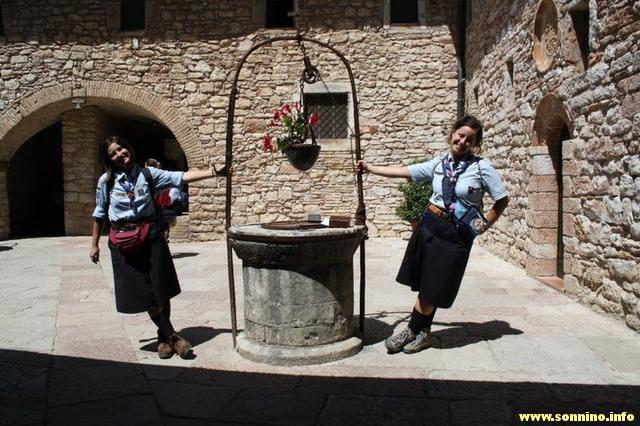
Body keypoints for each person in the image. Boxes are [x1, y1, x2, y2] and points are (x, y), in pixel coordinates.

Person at [354, 116, 509, 354]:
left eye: (469, 139)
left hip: (456, 235)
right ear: (453, 133)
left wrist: (484, 224)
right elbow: (405, 172)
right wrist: (370, 168)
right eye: (460, 135)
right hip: (429, 225)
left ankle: (411, 330)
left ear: (475, 144)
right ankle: (423, 333)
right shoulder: (438, 164)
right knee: (427, 281)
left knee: (436, 283)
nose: (463, 141)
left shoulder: (481, 168)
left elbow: (501, 199)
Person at [90, 136, 226, 359]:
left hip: (150, 236)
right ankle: (174, 338)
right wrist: (94, 244)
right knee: (145, 292)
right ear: (108, 159)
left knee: (160, 287)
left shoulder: (148, 174)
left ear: (128, 148)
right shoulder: (106, 181)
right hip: (123, 242)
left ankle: (163, 339)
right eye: (112, 154)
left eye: (121, 149)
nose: (119, 155)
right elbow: (100, 212)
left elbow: (180, 177)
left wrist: (214, 172)